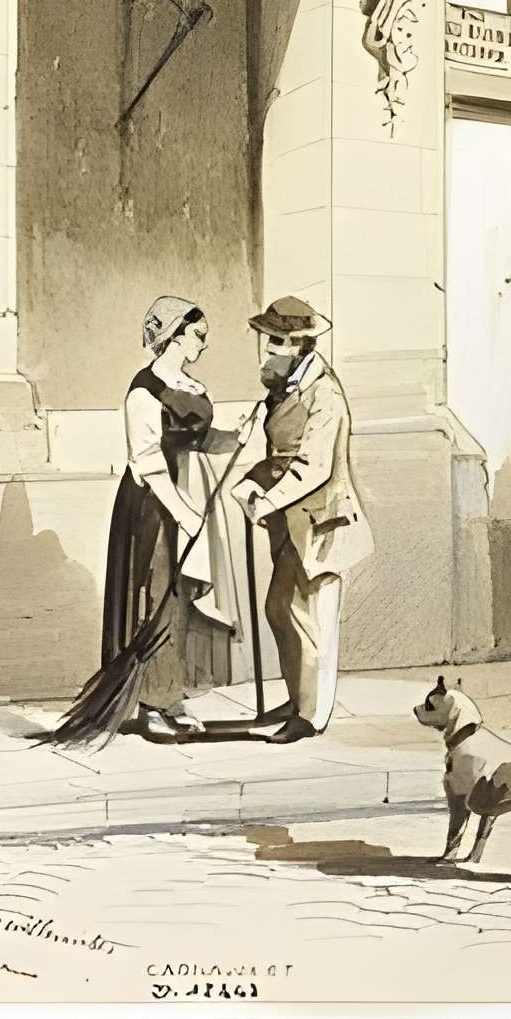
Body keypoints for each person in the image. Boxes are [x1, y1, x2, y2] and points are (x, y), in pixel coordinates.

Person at [101, 296, 248, 740]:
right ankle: (149, 704)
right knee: (156, 600)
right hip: (153, 506)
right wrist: (184, 514)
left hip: (188, 495)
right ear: (174, 334)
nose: (203, 344)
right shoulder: (144, 391)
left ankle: (170, 694)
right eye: (198, 335)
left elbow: (199, 440)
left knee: (181, 600)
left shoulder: (189, 385)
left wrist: (239, 437)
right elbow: (145, 460)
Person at [231, 296, 373, 744]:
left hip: (321, 521)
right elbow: (276, 454)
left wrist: (266, 500)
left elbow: (313, 467)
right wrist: (251, 484)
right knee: (281, 609)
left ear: (299, 343)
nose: (265, 350)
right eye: (264, 339)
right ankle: (297, 699)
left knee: (311, 619)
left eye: (274, 341)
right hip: (290, 520)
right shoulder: (284, 389)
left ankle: (311, 714)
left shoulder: (324, 393)